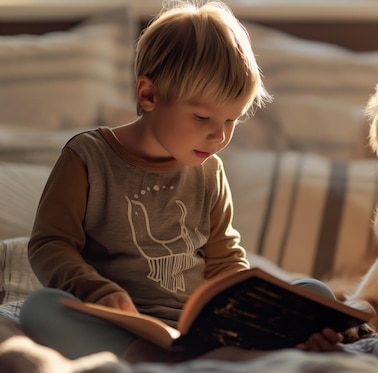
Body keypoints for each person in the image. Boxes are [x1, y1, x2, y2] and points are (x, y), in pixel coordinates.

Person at [20, 0, 342, 362]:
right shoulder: (88, 157)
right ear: (149, 95)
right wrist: (93, 289)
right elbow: (50, 243)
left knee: (315, 293)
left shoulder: (210, 171)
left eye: (231, 121)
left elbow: (223, 261)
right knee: (40, 308)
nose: (219, 136)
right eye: (203, 117)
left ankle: (225, 353)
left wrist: (262, 306)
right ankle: (161, 360)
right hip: (120, 322)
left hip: (202, 327)